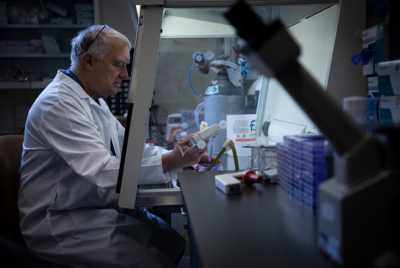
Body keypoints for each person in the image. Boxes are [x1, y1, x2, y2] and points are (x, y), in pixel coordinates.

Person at [18, 25, 216, 268]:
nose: (125, 75)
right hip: (62, 222)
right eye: (118, 64)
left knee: (169, 242)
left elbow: (132, 150)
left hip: (91, 208)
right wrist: (173, 161)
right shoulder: (59, 103)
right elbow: (102, 170)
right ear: (89, 61)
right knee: (151, 262)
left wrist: (183, 157)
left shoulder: (93, 100)